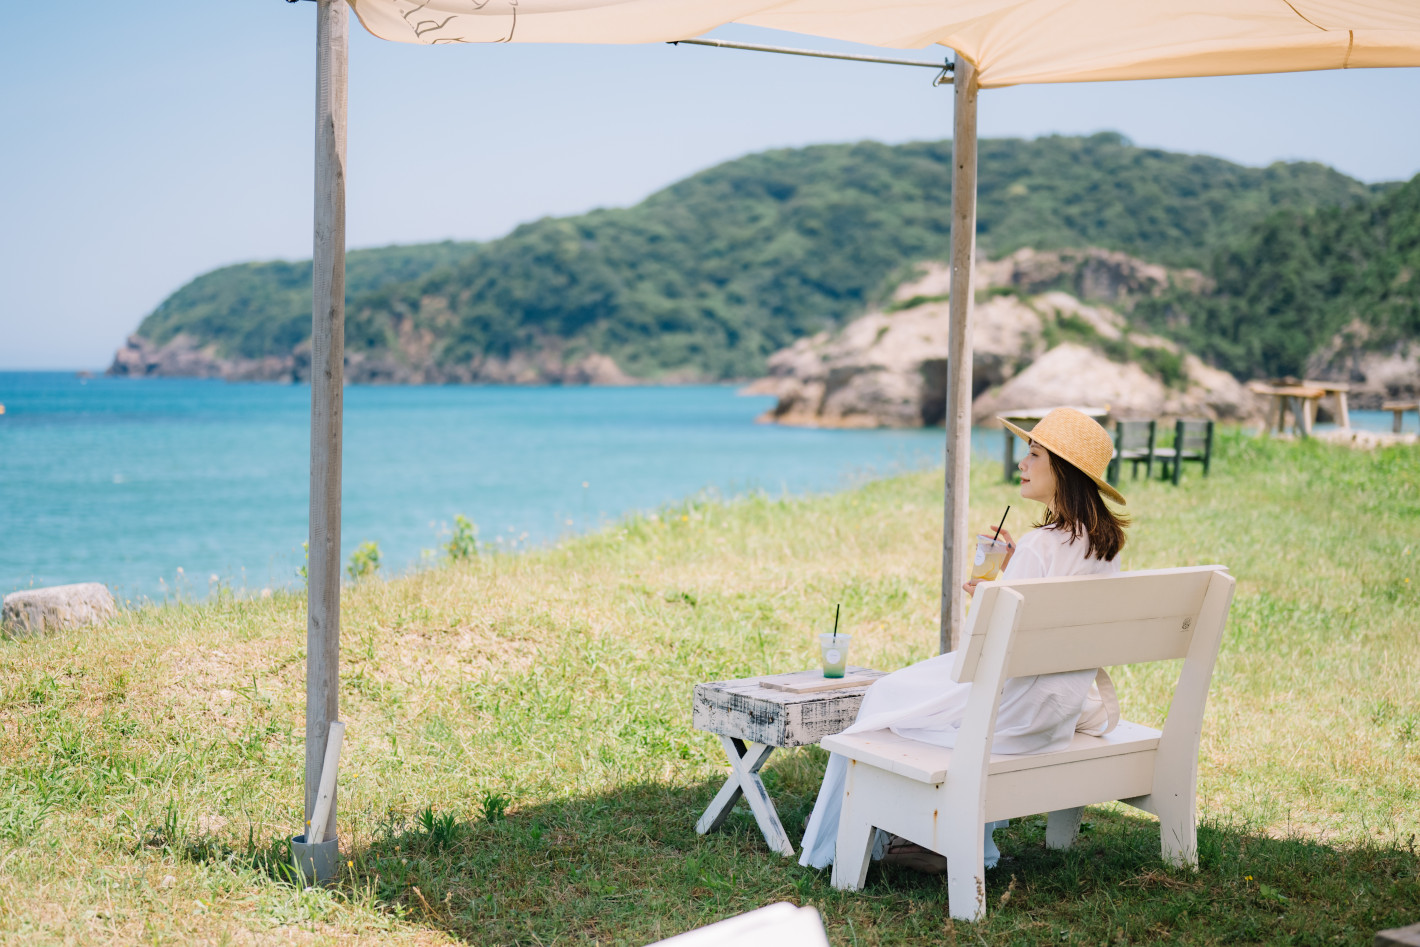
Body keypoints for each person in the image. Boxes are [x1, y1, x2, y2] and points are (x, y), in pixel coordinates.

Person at [798, 407, 1131, 874]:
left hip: (1011, 713)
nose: (1022, 463)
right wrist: (1013, 572)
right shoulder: (1105, 547)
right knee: (904, 697)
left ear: (1063, 470)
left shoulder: (1040, 544)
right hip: (1057, 710)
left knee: (883, 700)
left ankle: (843, 838)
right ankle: (915, 834)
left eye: (1035, 454)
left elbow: (986, 649)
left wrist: (989, 595)